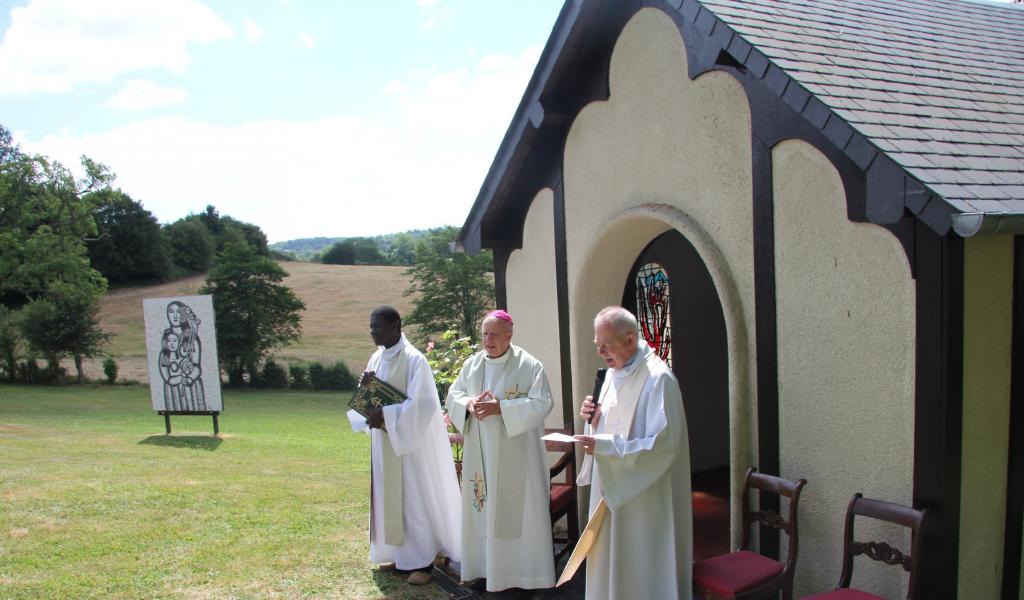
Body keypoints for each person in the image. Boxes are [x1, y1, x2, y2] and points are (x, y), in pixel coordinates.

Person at [575, 306, 692, 599]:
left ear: (629, 339)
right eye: (597, 345)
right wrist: (594, 419)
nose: (601, 352)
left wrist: (604, 447)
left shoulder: (658, 379)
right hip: (610, 485)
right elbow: (610, 425)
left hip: (644, 495)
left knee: (640, 564)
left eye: (607, 345)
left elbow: (664, 445)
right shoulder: (612, 375)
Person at [446, 309, 556, 591]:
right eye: (484, 333)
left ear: (509, 334)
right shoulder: (472, 365)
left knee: (518, 513)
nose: (488, 339)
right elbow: (453, 397)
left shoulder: (529, 365)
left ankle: (524, 575)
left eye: (494, 334)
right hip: (480, 459)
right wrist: (469, 404)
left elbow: (542, 403)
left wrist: (502, 409)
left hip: (518, 459)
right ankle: (483, 570)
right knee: (483, 509)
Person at [359, 306, 461, 586]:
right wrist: (365, 395)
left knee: (413, 500)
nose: (372, 331)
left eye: (377, 326)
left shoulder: (415, 360)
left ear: (395, 326)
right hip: (384, 442)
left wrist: (387, 416)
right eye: (371, 326)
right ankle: (399, 555)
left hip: (410, 447)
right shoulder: (377, 357)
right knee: (389, 499)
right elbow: (369, 392)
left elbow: (425, 404)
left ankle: (424, 562)